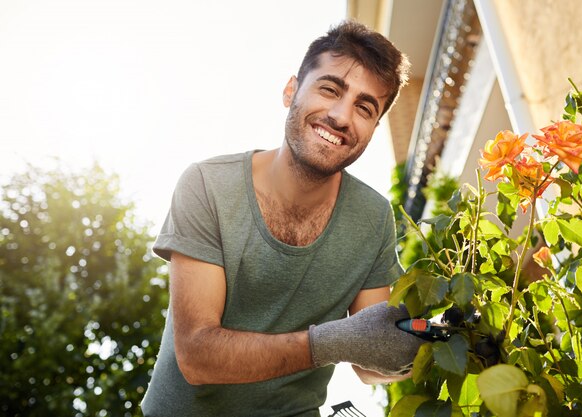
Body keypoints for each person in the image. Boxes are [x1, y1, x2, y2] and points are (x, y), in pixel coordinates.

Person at [141, 20, 424, 417]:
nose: (342, 116)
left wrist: (428, 342)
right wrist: (328, 343)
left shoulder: (374, 218)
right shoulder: (207, 185)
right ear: (291, 90)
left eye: (364, 107)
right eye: (330, 89)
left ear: (374, 128)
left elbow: (368, 363)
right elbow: (197, 356)